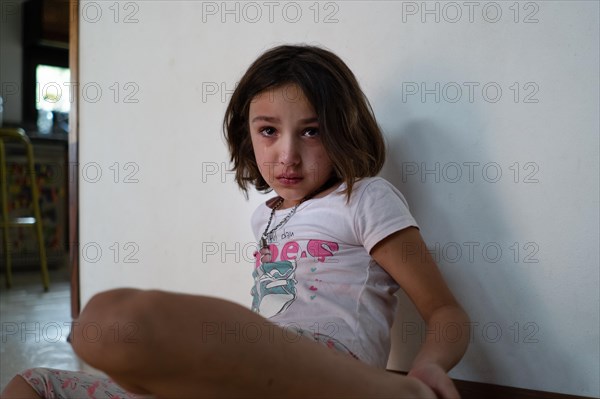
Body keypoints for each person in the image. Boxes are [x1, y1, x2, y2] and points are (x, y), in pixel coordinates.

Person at [2, 44, 469, 399]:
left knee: (120, 320)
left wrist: (426, 370)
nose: (287, 154)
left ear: (345, 129)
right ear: (248, 136)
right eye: (269, 131)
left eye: (311, 131)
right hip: (256, 369)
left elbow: (445, 312)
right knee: (37, 377)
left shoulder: (364, 197)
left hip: (328, 369)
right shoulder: (262, 217)